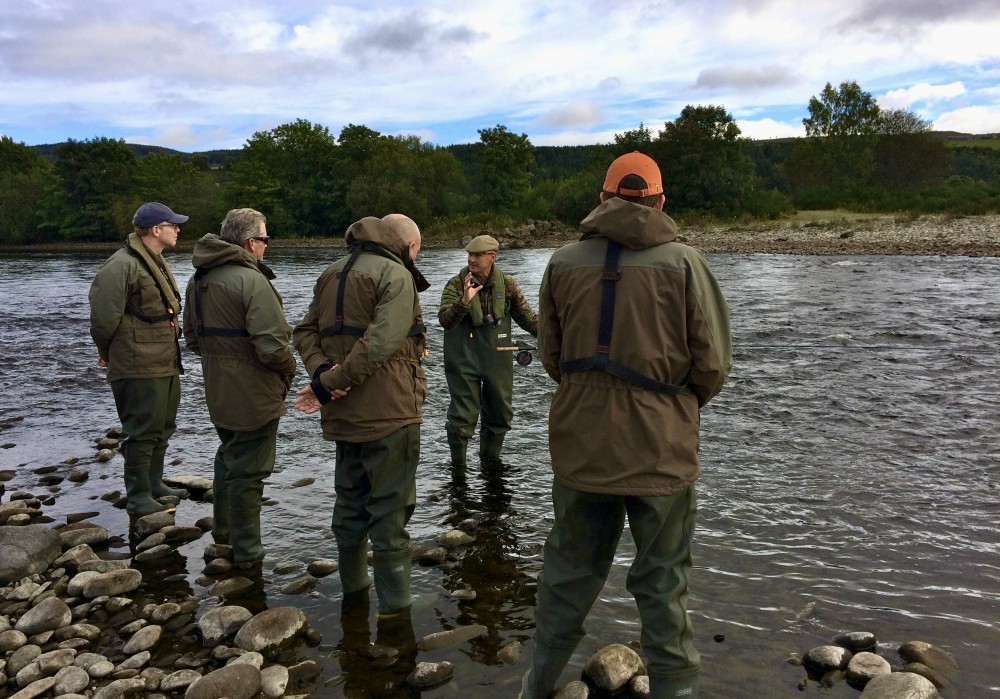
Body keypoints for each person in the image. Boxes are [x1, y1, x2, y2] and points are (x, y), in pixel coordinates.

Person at [522, 152, 733, 699]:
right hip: (662, 449)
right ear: (661, 200)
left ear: (602, 197)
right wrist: (675, 407)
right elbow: (712, 364)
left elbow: (552, 355)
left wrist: (590, 396)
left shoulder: (561, 263)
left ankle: (535, 688)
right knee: (663, 586)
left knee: (566, 578)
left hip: (580, 445)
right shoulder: (686, 262)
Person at [293, 214, 429, 615]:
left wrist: (321, 375)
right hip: (390, 414)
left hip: (344, 417)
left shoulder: (331, 273)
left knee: (349, 506)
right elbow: (381, 342)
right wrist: (332, 380)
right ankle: (396, 609)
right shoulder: (396, 275)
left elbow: (303, 332)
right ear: (409, 246)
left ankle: (354, 596)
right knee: (390, 517)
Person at [182, 208, 296, 567]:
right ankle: (248, 551)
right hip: (254, 391)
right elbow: (274, 348)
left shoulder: (197, 280)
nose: (266, 246)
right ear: (250, 243)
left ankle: (225, 533)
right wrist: (289, 372)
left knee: (229, 454)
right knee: (250, 471)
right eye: (264, 239)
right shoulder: (252, 281)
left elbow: (192, 340)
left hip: (217, 388)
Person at [89, 201, 190, 516]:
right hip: (137, 363)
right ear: (156, 229)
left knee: (164, 425)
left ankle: (154, 483)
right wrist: (108, 354)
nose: (178, 229)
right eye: (173, 224)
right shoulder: (121, 265)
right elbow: (103, 319)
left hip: (163, 360)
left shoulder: (154, 259)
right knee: (143, 429)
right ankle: (137, 495)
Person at [438, 234, 538, 468]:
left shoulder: (509, 285)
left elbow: (529, 319)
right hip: (463, 357)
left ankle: (491, 466)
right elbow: (445, 321)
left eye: (478, 255)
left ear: (492, 257)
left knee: (500, 413)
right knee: (462, 416)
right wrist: (464, 302)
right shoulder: (455, 284)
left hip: (497, 356)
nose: (471, 260)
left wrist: (555, 336)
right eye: (470, 255)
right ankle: (459, 471)